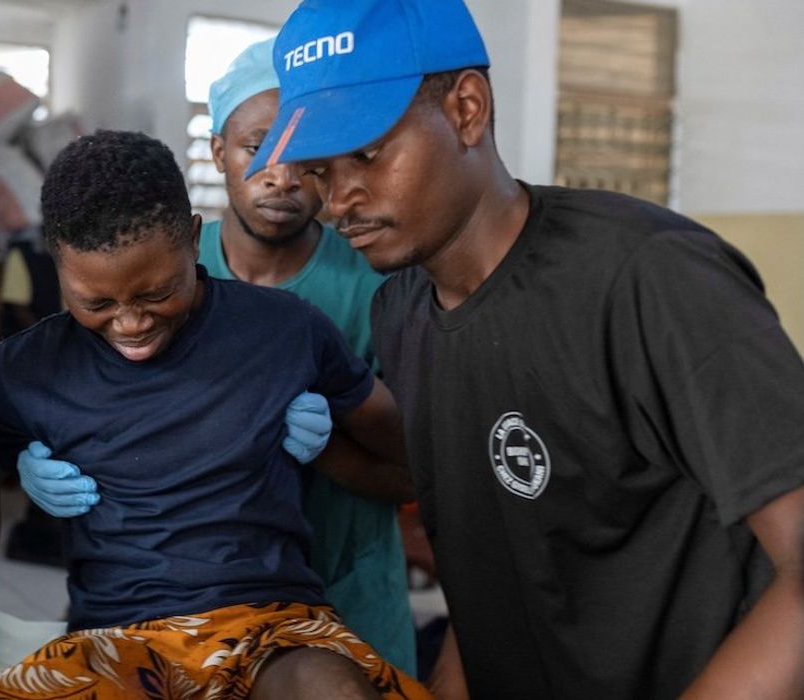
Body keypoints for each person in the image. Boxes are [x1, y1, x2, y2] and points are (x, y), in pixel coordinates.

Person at [246, 0, 804, 698]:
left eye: (366, 154)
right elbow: (490, 580)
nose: (340, 200)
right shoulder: (403, 313)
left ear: (466, 109)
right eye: (321, 173)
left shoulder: (646, 277)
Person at [0, 130, 427, 700]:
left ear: (193, 240)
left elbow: (406, 459)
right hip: (114, 641)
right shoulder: (27, 369)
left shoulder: (284, 330)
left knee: (333, 688)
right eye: (96, 303)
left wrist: (330, 444)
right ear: (57, 267)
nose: (131, 323)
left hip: (273, 624)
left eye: (157, 293)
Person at [16, 38, 418, 673]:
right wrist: (41, 455)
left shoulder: (376, 285)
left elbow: (418, 468)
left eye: (304, 152)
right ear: (218, 153)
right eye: (258, 146)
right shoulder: (146, 269)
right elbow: (75, 384)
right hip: (177, 609)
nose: (281, 174)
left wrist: (331, 447)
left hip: (342, 579)